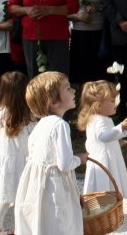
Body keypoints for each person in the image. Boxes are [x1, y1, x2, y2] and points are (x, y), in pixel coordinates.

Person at [14, 71, 86, 235]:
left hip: (38, 186)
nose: (73, 91)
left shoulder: (39, 126)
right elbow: (64, 163)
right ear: (54, 102)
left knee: (43, 224)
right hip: (55, 187)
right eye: (67, 89)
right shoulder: (60, 125)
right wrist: (81, 159)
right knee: (61, 224)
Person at [0, 71, 35, 235]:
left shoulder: (0, 111)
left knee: (3, 197)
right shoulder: (28, 116)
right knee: (24, 197)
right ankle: (22, 228)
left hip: (4, 159)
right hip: (21, 161)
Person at [78, 80, 127, 198]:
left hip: (108, 157)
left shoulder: (102, 118)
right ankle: (106, 204)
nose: (116, 103)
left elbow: (108, 136)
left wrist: (120, 133)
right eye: (112, 101)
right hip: (104, 161)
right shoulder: (99, 120)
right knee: (105, 184)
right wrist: (121, 127)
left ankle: (110, 205)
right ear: (98, 105)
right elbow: (103, 136)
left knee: (111, 183)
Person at [68, 0, 106, 84]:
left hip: (99, 32)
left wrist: (98, 8)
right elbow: (65, 12)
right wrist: (78, 17)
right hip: (80, 33)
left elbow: (110, 5)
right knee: (83, 71)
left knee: (99, 70)